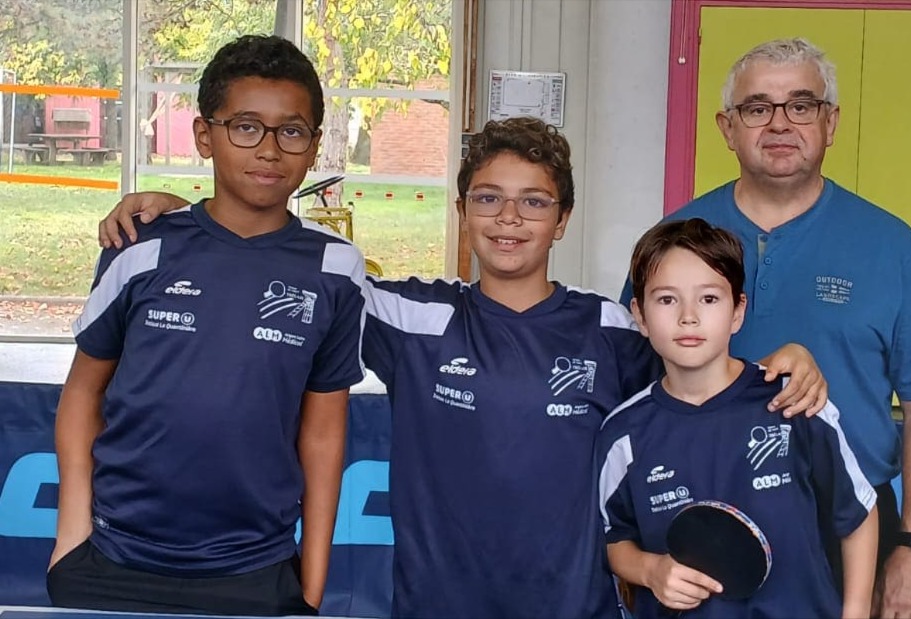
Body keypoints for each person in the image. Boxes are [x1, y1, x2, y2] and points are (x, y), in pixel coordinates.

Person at [97, 117, 827, 619]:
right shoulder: (410, 317)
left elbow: (703, 367)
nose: (509, 219)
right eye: (489, 199)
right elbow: (287, 263)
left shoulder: (611, 329)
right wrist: (194, 213)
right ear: (461, 211)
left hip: (573, 605)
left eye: (533, 202)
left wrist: (787, 358)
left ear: (562, 219)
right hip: (437, 603)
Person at [621, 38, 911, 617]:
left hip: (845, 529)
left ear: (830, 123)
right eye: (757, 107)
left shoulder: (892, 248)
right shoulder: (675, 240)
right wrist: (637, 556)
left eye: (802, 105)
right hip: (695, 526)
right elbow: (634, 383)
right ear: (727, 127)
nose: (780, 123)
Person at [47, 35, 366, 615]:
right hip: (112, 560)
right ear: (204, 136)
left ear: (314, 145)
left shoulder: (336, 269)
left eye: (291, 131)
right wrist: (71, 535)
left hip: (255, 570)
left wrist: (311, 586)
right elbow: (83, 391)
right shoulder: (139, 246)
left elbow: (323, 433)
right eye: (245, 127)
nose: (268, 149)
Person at [601, 218, 878, 618]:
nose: (689, 316)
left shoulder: (792, 401)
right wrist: (650, 570)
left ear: (737, 311)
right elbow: (614, 538)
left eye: (709, 298)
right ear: (640, 316)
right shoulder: (624, 433)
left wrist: (855, 613)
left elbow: (858, 514)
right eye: (667, 300)